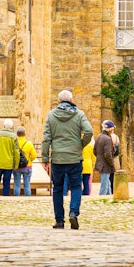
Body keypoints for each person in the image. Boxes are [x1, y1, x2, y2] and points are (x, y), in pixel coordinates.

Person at [40, 89, 94, 229]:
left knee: (57, 188)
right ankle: (73, 212)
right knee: (76, 186)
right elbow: (88, 131)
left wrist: (45, 158)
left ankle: (59, 220)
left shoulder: (51, 116)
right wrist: (81, 144)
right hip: (75, 158)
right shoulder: (79, 114)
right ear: (71, 100)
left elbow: (46, 138)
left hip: (58, 158)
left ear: (59, 101)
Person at [0, 119, 20, 196]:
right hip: (8, 164)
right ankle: (5, 198)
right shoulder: (14, 136)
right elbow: (16, 152)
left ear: (4, 125)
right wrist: (16, 164)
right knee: (6, 183)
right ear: (12, 127)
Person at [94, 120, 116, 196]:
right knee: (104, 186)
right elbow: (107, 154)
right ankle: (100, 200)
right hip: (105, 165)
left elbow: (95, 151)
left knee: (108, 184)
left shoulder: (99, 136)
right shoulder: (107, 139)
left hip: (100, 163)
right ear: (110, 129)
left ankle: (109, 197)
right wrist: (112, 164)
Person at [13, 126, 36, 196]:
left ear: (17, 134)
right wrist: (29, 160)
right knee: (27, 184)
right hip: (27, 166)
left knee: (17, 184)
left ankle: (16, 198)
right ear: (25, 134)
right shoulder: (29, 143)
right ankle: (27, 198)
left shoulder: (14, 143)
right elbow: (34, 155)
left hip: (16, 166)